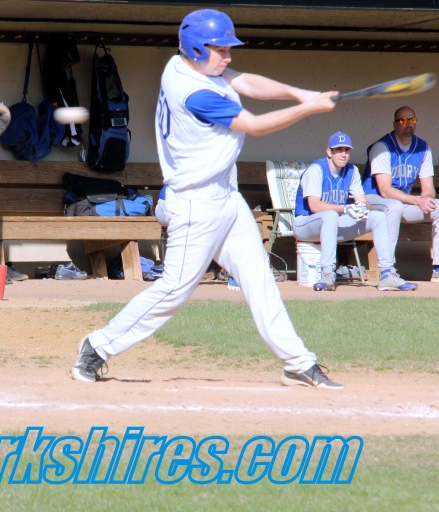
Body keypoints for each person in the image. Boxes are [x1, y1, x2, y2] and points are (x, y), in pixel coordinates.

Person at [71, 9, 344, 390]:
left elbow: (243, 80)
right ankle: (98, 346)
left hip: (226, 197)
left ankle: (297, 362)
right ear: (197, 49)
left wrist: (299, 93)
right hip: (195, 203)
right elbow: (254, 124)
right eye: (221, 50)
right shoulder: (195, 93)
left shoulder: (182, 64)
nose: (228, 57)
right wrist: (307, 109)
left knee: (259, 279)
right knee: (173, 290)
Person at [294, 132, 417, 292]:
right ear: (329, 152)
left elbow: (363, 200)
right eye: (338, 150)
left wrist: (362, 209)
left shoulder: (351, 171)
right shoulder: (316, 170)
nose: (343, 154)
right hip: (305, 224)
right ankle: (328, 274)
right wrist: (345, 208)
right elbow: (314, 206)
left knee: (377, 217)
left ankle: (387, 273)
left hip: (334, 224)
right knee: (330, 215)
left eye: (347, 150)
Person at [362, 106, 439, 281]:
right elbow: (385, 190)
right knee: (394, 206)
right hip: (373, 200)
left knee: (438, 207)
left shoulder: (423, 148)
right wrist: (417, 200)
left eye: (412, 120)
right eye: (404, 120)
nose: (409, 124)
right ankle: (387, 269)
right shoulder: (382, 147)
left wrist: (427, 199)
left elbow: (428, 187)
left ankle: (438, 268)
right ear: (395, 124)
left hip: (402, 201)